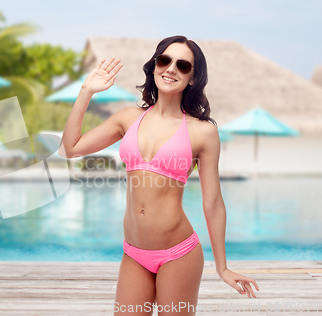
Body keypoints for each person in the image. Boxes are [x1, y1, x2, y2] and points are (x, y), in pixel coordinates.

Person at [58, 35, 259, 315]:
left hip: (178, 254)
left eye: (183, 65)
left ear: (192, 78)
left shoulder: (203, 131)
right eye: (164, 60)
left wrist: (222, 267)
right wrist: (86, 92)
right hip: (134, 253)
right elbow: (70, 148)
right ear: (154, 67)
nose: (171, 68)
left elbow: (212, 203)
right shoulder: (127, 118)